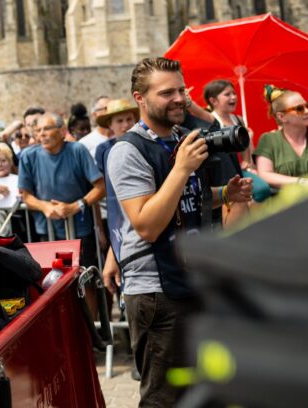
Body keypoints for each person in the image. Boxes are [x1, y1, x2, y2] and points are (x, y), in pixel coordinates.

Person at [106, 57, 251, 408]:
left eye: (181, 90)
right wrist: (182, 169)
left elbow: (191, 200)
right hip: (157, 291)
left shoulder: (185, 138)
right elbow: (147, 223)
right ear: (139, 98)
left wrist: (225, 195)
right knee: (165, 399)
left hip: (193, 280)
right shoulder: (128, 151)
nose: (179, 99)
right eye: (166, 92)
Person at [19, 113, 106, 268]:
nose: (41, 134)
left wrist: (75, 206)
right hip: (48, 230)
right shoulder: (28, 156)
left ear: (62, 130)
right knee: (55, 282)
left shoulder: (77, 150)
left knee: (85, 280)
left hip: (81, 229)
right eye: (37, 130)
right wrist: (45, 207)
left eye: (46, 129)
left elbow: (101, 187)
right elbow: (25, 196)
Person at [91, 98, 140, 295]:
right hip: (117, 216)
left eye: (129, 119)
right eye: (119, 121)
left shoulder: (145, 143)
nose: (125, 125)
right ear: (110, 125)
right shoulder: (105, 150)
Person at [202, 79, 270, 205]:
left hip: (239, 170)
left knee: (263, 189)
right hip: (223, 171)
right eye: (227, 94)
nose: (233, 97)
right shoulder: (211, 119)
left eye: (234, 93)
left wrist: (246, 160)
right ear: (213, 100)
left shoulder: (238, 119)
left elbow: (244, 148)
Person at [254, 85, 308, 189]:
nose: (307, 111)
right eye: (299, 108)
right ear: (281, 116)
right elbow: (265, 174)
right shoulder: (269, 140)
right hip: (284, 202)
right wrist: (302, 182)